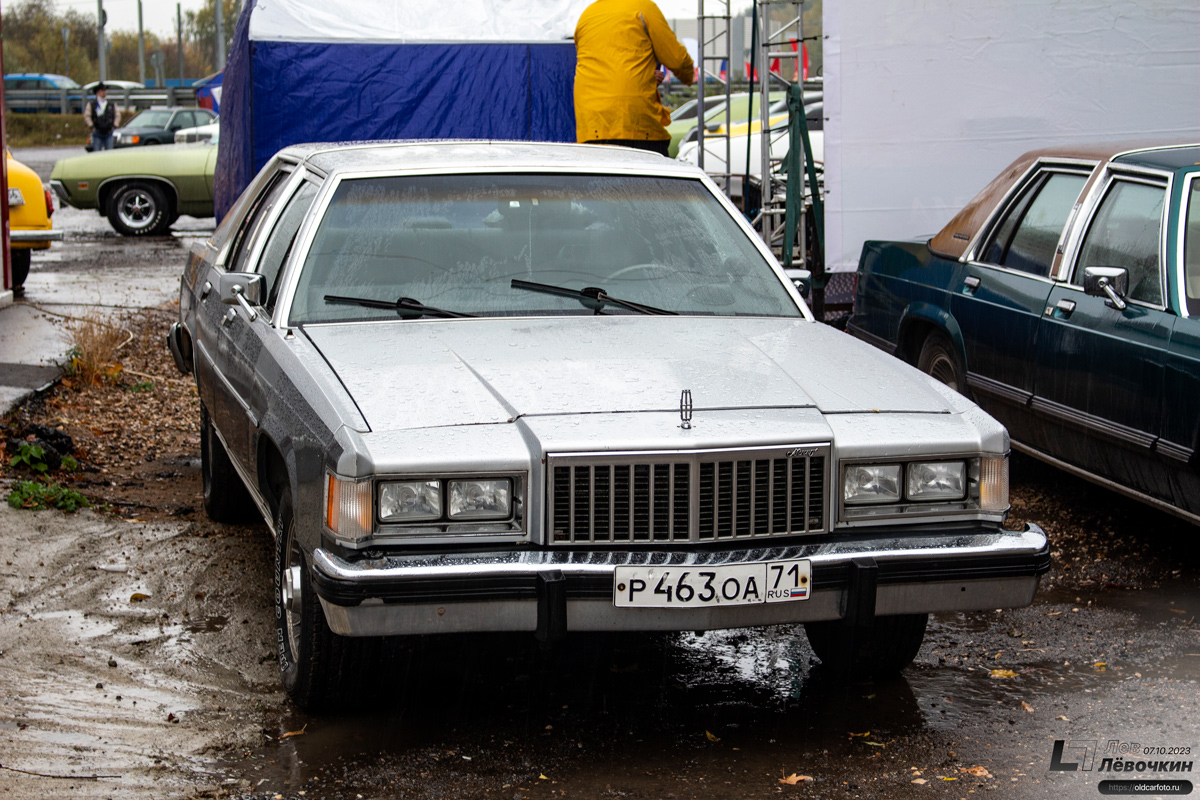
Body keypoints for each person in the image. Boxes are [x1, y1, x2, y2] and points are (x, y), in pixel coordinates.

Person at [574, 0, 696, 156]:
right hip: (634, 121)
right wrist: (688, 76)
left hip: (590, 126)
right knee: (652, 177)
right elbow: (677, 60)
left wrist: (645, 78)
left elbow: (607, 65)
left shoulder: (587, 15)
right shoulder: (643, 8)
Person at [84, 83, 121, 152]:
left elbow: (117, 115)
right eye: (102, 90)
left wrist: (115, 125)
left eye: (105, 90)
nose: (104, 92)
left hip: (109, 132)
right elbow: (87, 116)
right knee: (97, 152)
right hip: (97, 132)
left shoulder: (111, 104)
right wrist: (91, 126)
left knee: (109, 152)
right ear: (97, 92)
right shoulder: (92, 104)